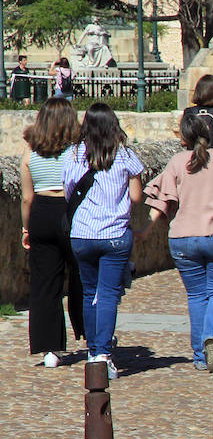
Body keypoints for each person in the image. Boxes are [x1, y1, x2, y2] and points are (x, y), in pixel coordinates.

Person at [139, 113, 213, 372]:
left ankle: (199, 356)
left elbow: (160, 200)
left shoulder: (176, 162)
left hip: (183, 239)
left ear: (183, 138)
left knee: (196, 295)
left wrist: (145, 230)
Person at [64, 103, 144, 380]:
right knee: (108, 294)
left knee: (89, 293)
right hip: (114, 235)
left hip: (83, 234)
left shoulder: (74, 155)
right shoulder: (125, 156)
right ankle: (103, 354)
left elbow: (69, 193)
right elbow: (136, 197)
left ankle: (92, 350)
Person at [20, 98, 83, 367]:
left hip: (42, 213)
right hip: (71, 211)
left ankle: (49, 349)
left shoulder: (30, 152)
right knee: (82, 275)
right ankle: (89, 334)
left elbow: (26, 197)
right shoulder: (78, 150)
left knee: (45, 283)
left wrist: (26, 228)